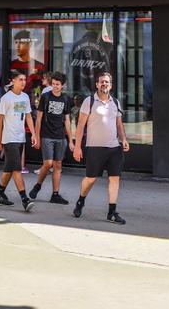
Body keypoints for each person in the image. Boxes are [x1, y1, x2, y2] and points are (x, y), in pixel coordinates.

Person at [71, 70, 129, 224]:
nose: (104, 84)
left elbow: (119, 124)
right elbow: (80, 126)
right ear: (97, 84)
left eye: (107, 82)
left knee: (114, 178)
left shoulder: (115, 102)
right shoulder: (89, 101)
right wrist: (77, 147)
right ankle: (81, 200)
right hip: (95, 148)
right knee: (90, 179)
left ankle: (112, 212)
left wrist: (123, 139)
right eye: (102, 82)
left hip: (114, 148)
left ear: (111, 85)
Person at [0, 71, 38, 212]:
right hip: (9, 138)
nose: (23, 82)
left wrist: (33, 134)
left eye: (24, 79)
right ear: (13, 81)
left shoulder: (25, 97)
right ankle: (25, 199)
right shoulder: (6, 98)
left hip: (20, 138)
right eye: (20, 79)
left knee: (9, 168)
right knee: (17, 168)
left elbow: (28, 116)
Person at [29, 71, 74, 204]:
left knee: (58, 165)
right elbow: (39, 119)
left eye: (57, 84)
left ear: (62, 85)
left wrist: (71, 140)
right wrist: (37, 137)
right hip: (47, 135)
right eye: (53, 84)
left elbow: (67, 120)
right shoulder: (46, 97)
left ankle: (55, 194)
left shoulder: (66, 99)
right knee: (48, 163)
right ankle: (38, 185)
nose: (55, 86)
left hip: (60, 136)